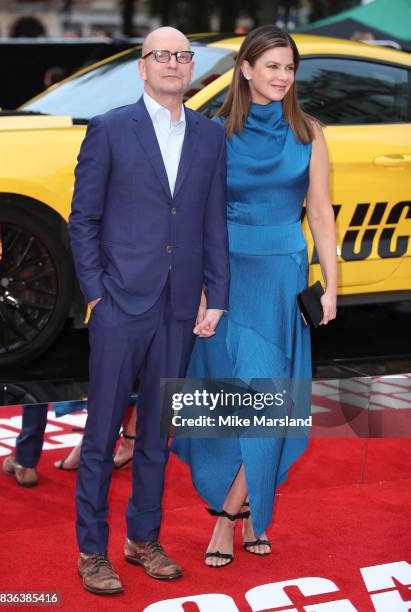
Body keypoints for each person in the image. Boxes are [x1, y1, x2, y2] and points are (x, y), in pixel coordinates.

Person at [68, 26, 229, 594]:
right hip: (120, 303)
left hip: (180, 306)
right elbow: (82, 219)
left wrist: (219, 292)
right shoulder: (110, 129)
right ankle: (92, 550)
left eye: (183, 56)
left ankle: (142, 539)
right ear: (142, 66)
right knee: (102, 435)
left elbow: (212, 220)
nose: (173, 63)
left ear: (191, 69)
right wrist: (94, 294)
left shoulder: (209, 136)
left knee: (157, 434)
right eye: (161, 55)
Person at [172, 25, 337, 567]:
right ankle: (249, 511)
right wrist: (199, 288)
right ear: (245, 69)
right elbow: (197, 219)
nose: (283, 78)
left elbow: (318, 213)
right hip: (226, 277)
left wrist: (332, 283)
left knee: (267, 399)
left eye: (290, 69)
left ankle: (230, 515)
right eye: (272, 67)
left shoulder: (310, 132)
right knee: (227, 400)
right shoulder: (214, 134)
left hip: (283, 276)